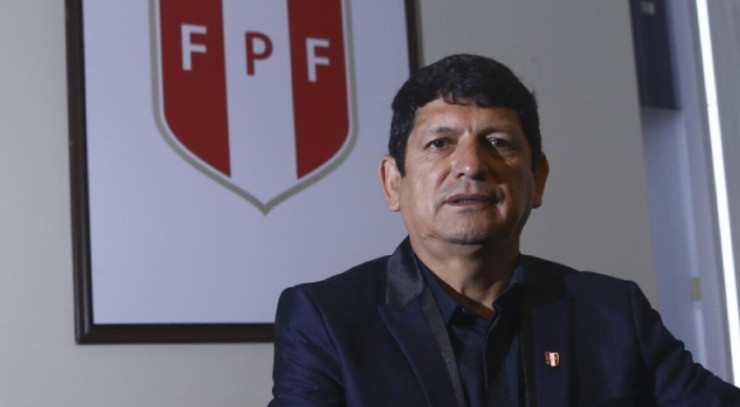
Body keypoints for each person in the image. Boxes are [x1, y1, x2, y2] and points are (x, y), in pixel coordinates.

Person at [269, 54, 740, 406]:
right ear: (394, 183)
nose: (471, 165)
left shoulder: (614, 313)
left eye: (497, 142)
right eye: (440, 143)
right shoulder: (326, 320)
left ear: (537, 180)